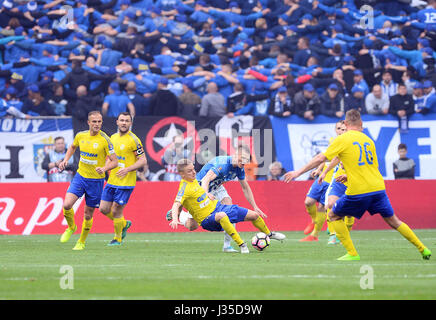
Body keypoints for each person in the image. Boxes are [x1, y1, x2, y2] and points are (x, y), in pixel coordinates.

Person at [284, 109, 431, 261]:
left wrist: (298, 172)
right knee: (394, 221)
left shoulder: (342, 139)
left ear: (346, 124)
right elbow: (370, 166)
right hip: (378, 188)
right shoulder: (368, 141)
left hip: (359, 190)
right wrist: (348, 174)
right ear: (361, 124)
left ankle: (352, 253)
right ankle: (423, 249)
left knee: (333, 215)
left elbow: (320, 158)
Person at [169, 158, 285, 254]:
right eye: (190, 171)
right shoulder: (221, 165)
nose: (194, 172)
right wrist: (175, 217)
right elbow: (204, 180)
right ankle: (181, 215)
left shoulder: (239, 169)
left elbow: (245, 187)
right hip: (204, 203)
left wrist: (255, 206)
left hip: (216, 195)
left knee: (244, 212)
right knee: (192, 225)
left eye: (193, 169)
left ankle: (265, 235)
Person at [58, 111, 118, 250]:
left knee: (88, 214)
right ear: (88, 122)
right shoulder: (81, 136)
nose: (97, 124)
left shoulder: (105, 140)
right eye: (94, 122)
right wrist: (65, 160)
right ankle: (72, 227)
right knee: (67, 204)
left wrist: (104, 168)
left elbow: (114, 162)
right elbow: (72, 147)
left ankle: (81, 242)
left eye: (99, 122)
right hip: (80, 177)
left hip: (96, 182)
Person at [99, 112, 147, 245]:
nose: (124, 123)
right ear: (117, 122)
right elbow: (110, 158)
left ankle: (117, 238)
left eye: (127, 121)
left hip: (126, 182)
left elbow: (143, 160)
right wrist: (104, 169)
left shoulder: (134, 140)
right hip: (112, 180)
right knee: (103, 208)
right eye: (122, 120)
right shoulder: (112, 138)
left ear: (130, 123)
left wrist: (127, 169)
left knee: (116, 210)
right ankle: (124, 224)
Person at [299, 120, 345, 242]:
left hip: (333, 180)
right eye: (339, 128)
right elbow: (326, 158)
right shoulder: (333, 141)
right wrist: (319, 170)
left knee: (323, 207)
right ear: (335, 130)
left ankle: (316, 235)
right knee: (308, 202)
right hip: (323, 177)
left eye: (343, 129)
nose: (340, 131)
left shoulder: (346, 143)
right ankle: (314, 220)